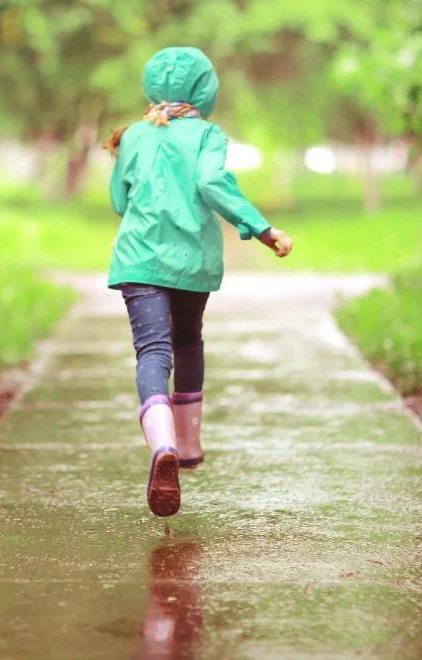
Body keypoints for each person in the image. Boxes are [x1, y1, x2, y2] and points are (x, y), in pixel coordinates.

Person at [107, 47, 293, 517]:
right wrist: (262, 228)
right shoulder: (208, 135)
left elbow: (118, 200)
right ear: (204, 89)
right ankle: (187, 447)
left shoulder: (132, 136)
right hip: (190, 263)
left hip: (138, 261)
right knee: (188, 343)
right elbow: (213, 183)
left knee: (153, 352)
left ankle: (161, 446)